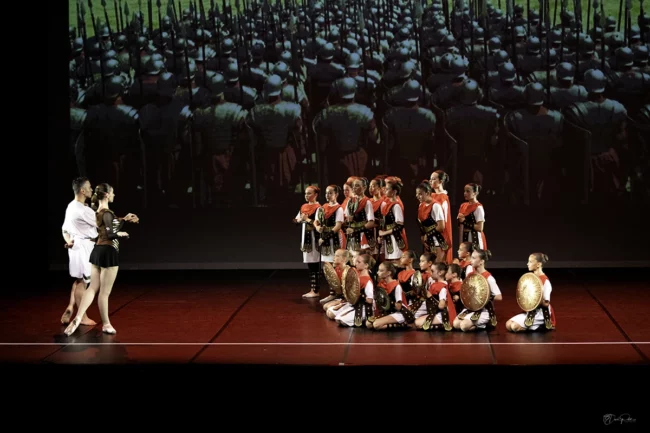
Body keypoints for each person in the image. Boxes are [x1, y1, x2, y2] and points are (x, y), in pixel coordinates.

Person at [64, 183, 138, 336]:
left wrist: (124, 219)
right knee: (104, 293)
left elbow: (106, 227)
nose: (114, 195)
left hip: (96, 251)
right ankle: (106, 324)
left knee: (92, 288)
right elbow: (110, 234)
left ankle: (77, 318)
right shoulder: (107, 212)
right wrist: (121, 234)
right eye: (112, 192)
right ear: (106, 195)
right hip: (108, 252)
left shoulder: (95, 211)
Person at [60, 177, 97, 326]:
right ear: (82, 190)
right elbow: (103, 222)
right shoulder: (84, 210)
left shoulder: (71, 206)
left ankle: (70, 305)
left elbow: (64, 230)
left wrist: (68, 241)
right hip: (85, 246)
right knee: (84, 283)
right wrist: (124, 219)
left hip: (75, 245)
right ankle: (82, 316)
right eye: (89, 187)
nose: (91, 189)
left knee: (79, 279)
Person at [453, 248, 502, 332]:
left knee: (464, 326)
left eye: (474, 258)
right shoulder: (471, 276)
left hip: (484, 310)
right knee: (455, 324)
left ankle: (484, 324)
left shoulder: (489, 278)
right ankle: (473, 324)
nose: (471, 260)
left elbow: (499, 297)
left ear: (481, 262)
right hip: (471, 308)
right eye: (471, 257)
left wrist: (483, 296)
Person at [506, 253, 556, 332]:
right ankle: (532, 325)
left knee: (514, 327)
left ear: (538, 264)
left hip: (540, 313)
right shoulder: (531, 278)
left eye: (530, 262)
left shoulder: (545, 281)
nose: (527, 263)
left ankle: (541, 325)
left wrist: (534, 301)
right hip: (531, 311)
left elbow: (546, 303)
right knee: (508, 325)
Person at [294, 186, 322, 298]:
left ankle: (315, 290)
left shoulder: (318, 208)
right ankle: (313, 289)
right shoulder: (304, 206)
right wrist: (299, 220)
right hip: (305, 239)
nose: (306, 195)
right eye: (305, 193)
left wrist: (306, 220)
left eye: (309, 193)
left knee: (315, 264)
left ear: (315, 195)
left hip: (314, 239)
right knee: (310, 264)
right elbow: (295, 220)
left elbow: (318, 224)